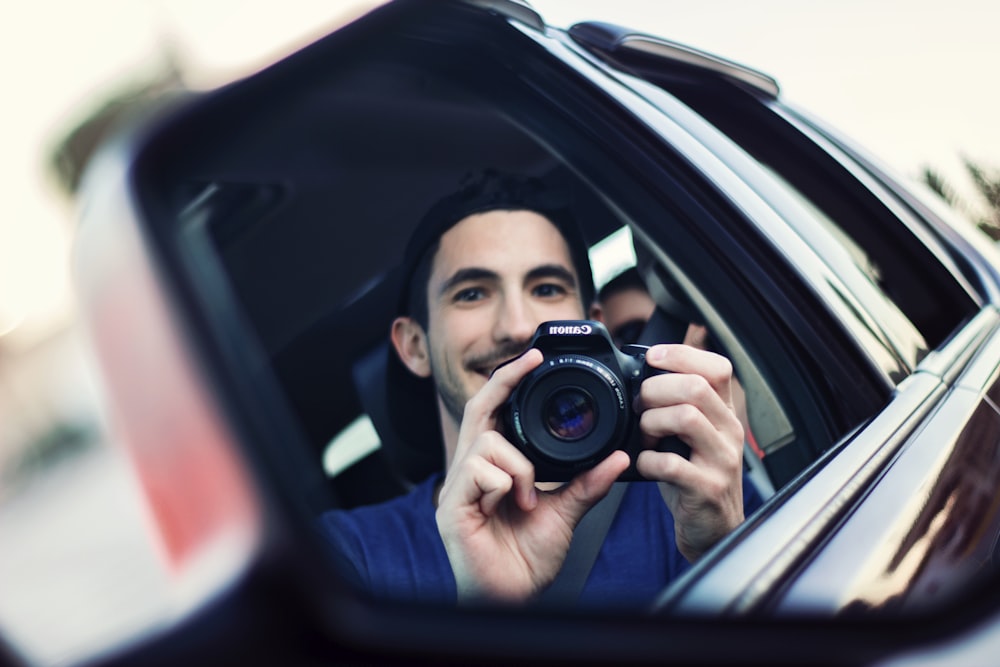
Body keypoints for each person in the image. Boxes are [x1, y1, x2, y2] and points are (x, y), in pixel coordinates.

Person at [318, 170, 762, 606]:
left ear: (594, 326)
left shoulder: (688, 497)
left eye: (547, 288)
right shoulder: (344, 557)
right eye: (472, 293)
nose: (518, 327)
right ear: (415, 346)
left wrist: (721, 548)